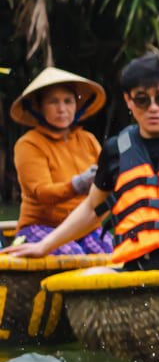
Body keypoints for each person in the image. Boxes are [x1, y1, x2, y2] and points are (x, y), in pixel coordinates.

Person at [2, 52, 159, 269]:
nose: (153, 108)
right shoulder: (115, 149)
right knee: (89, 271)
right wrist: (44, 246)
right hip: (135, 265)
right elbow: (92, 208)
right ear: (129, 100)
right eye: (142, 100)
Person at [8, 66, 111, 255]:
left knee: (115, 254)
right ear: (38, 107)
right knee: (72, 254)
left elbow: (107, 184)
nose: (62, 109)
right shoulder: (29, 144)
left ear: (76, 106)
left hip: (84, 226)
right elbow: (42, 194)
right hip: (40, 226)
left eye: (68, 101)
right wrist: (78, 184)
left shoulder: (87, 140)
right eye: (53, 102)